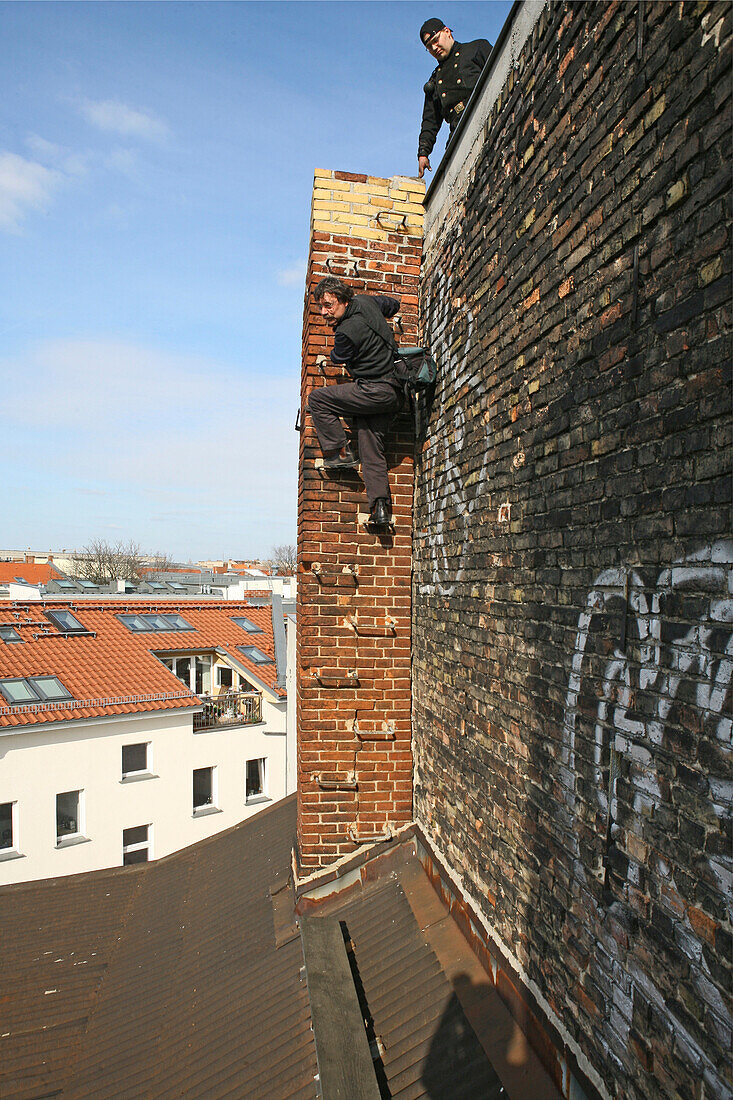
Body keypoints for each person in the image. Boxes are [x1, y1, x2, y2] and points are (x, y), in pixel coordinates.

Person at [307, 277, 402, 528]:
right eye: (321, 307)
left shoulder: (346, 332)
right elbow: (392, 304)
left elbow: (339, 357)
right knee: (370, 445)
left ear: (343, 300)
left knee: (317, 399)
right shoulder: (366, 301)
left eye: (329, 305)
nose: (324, 312)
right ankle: (380, 510)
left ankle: (339, 453)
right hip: (395, 392)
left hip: (374, 390)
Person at [417, 18, 492, 179]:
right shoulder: (435, 81)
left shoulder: (476, 48)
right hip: (458, 133)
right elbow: (430, 120)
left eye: (435, 40)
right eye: (429, 46)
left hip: (486, 116)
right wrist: (423, 153)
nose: (434, 47)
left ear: (447, 32)